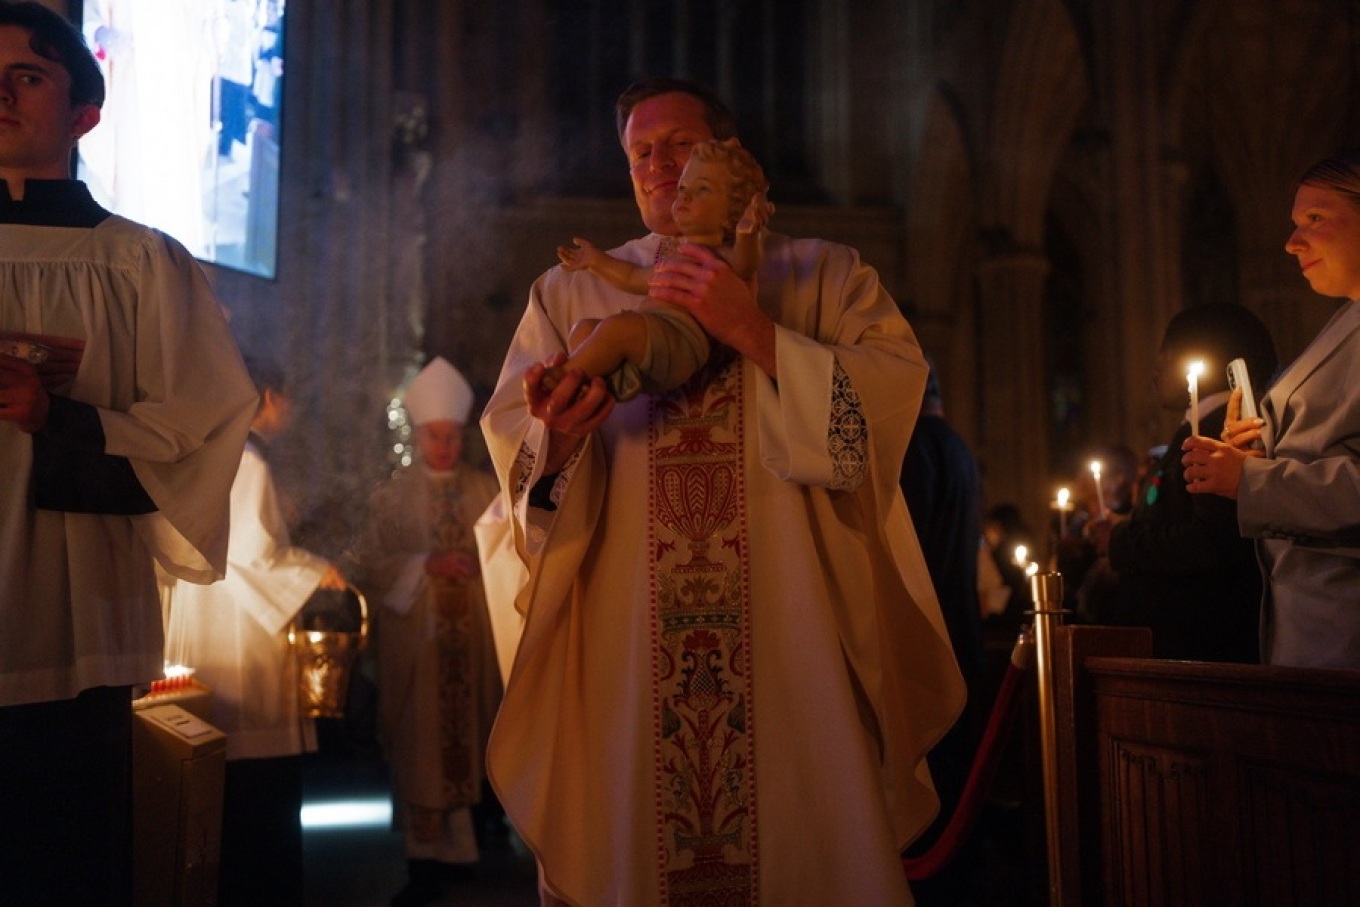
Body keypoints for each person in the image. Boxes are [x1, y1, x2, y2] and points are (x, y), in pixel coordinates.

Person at [481, 77, 964, 905]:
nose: (658, 165)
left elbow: (885, 415)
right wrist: (558, 435)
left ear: (726, 154)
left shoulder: (823, 273)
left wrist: (753, 329)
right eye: (641, 152)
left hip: (790, 635)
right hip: (630, 644)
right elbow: (518, 467)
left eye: (678, 145)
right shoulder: (567, 296)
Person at [0, 4, 257, 904]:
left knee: (60, 866)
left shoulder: (141, 264)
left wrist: (59, 420)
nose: (1, 94)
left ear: (85, 114)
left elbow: (203, 428)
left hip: (74, 627)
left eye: (28, 76)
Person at [159, 356, 347, 906]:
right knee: (258, 793)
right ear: (266, 397)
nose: (290, 410)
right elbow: (252, 558)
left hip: (201, 629)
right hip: (240, 636)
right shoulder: (248, 461)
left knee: (214, 791)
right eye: (287, 399)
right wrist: (316, 570)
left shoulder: (199, 454)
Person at [1184, 149, 1360, 670]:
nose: (1291, 242)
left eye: (1315, 218)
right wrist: (1261, 456)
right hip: (1314, 629)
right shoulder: (1344, 321)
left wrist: (1252, 481)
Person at [358, 356, 504, 907]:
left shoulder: (485, 488)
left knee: (465, 741)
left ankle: (461, 853)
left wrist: (481, 565)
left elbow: (508, 553)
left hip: (470, 641)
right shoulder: (392, 495)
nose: (443, 446)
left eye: (452, 436)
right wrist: (427, 564)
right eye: (434, 436)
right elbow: (372, 563)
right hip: (418, 647)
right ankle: (422, 860)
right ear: (419, 436)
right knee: (423, 749)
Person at [1086, 305, 1277, 662]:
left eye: (1167, 353)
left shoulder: (1224, 431)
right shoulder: (1200, 427)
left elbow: (1212, 542)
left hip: (1200, 648)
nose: (1156, 368)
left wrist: (1120, 539)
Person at [548, 136, 772, 400]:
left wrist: (747, 234)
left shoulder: (718, 260)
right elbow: (633, 276)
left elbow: (746, 264)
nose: (685, 195)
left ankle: (563, 379)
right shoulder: (677, 256)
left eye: (702, 190)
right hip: (653, 333)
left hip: (681, 342)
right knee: (583, 329)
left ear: (730, 213)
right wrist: (595, 260)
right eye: (682, 187)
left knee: (617, 329)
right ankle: (600, 384)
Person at [897, 362, 987, 904]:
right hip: (965, 628)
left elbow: (911, 548)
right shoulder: (957, 447)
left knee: (935, 784)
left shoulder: (914, 450)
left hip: (930, 635)